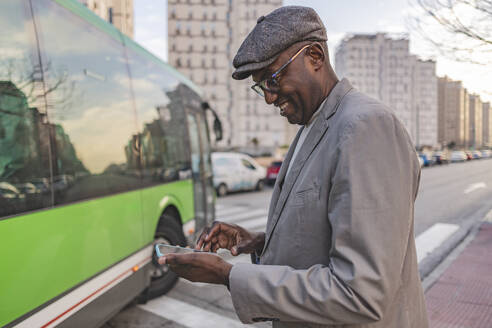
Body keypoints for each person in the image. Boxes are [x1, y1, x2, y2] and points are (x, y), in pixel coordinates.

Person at [158, 6, 429, 327]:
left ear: (315, 56)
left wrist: (227, 274)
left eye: (273, 78)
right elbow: (323, 235)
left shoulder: (365, 126)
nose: (269, 98)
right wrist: (260, 242)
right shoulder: (310, 128)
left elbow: (360, 294)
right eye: (261, 87)